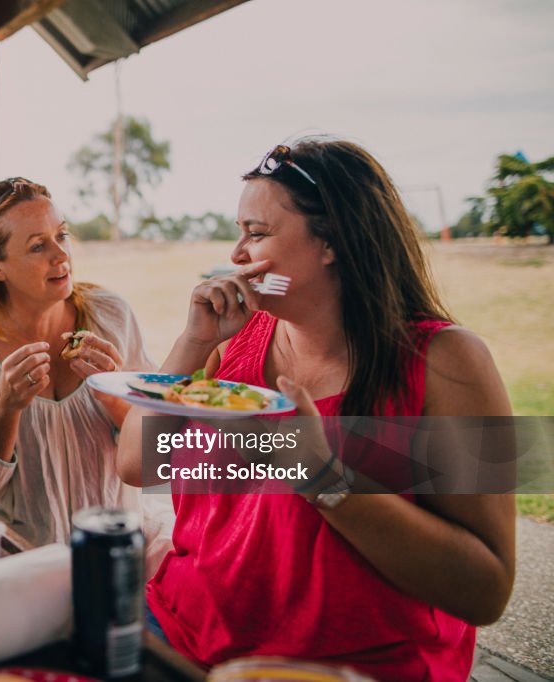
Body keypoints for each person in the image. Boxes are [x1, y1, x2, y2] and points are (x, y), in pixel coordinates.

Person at [116, 139, 515, 681]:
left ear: (332, 240)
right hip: (185, 631)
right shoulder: (232, 340)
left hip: (346, 669)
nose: (236, 256)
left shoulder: (448, 362)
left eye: (256, 235)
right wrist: (191, 344)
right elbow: (138, 463)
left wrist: (325, 479)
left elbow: (486, 590)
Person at [0, 177, 153, 547]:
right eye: (38, 246)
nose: (61, 254)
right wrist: (6, 405)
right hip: (17, 560)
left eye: (62, 235)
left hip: (117, 550)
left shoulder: (112, 316)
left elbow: (158, 463)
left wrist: (114, 394)